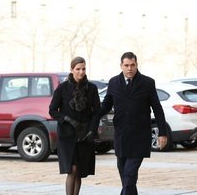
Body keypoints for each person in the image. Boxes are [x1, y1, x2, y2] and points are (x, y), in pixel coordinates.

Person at [93, 52, 168, 195]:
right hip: (121, 136)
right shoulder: (114, 82)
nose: (129, 68)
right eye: (126, 65)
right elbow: (106, 105)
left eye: (132, 65)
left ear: (137, 65)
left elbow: (157, 109)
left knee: (129, 174)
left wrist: (163, 133)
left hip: (140, 136)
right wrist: (93, 116)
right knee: (125, 177)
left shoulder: (147, 83)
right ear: (121, 66)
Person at [49, 56, 100, 195]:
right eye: (78, 69)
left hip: (84, 134)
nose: (81, 72)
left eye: (83, 69)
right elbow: (52, 110)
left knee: (80, 171)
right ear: (71, 70)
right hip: (67, 136)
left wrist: (92, 130)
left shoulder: (92, 88)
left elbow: (97, 112)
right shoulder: (62, 88)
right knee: (73, 170)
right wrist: (66, 119)